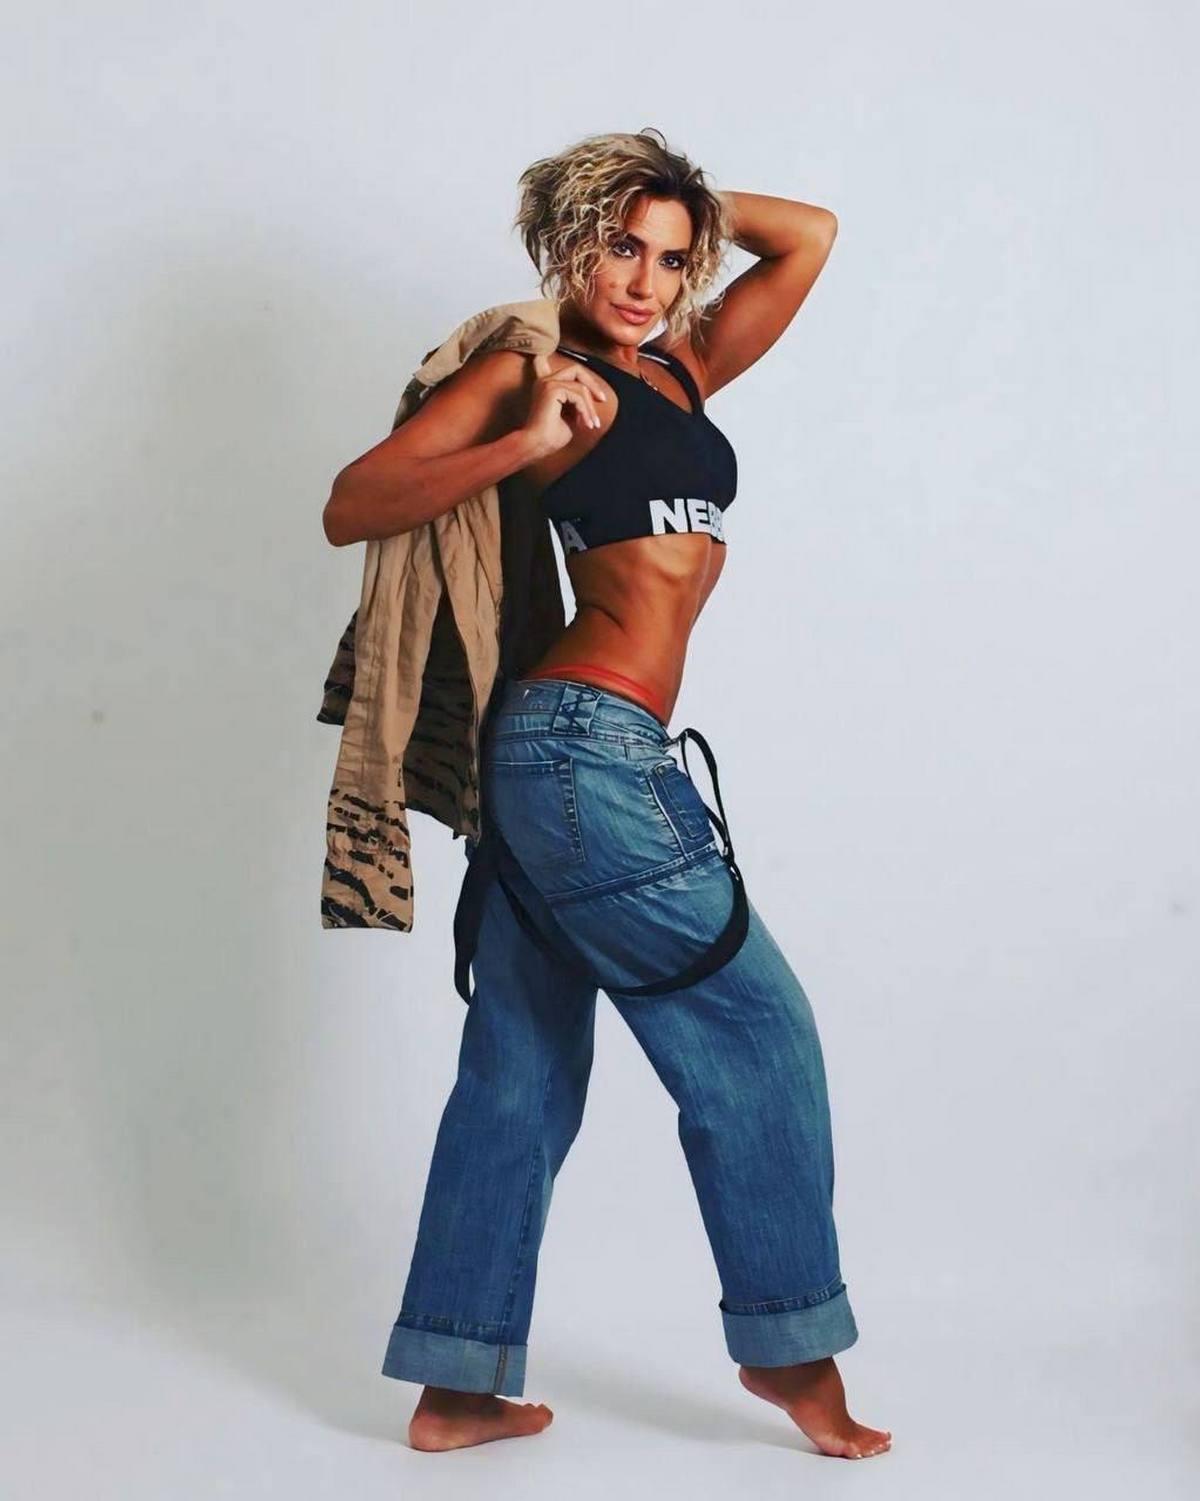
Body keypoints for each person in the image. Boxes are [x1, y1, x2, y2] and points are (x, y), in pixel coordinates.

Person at [326, 128, 891, 1460]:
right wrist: (522, 440)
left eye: (672, 257)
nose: (645, 279)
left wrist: (677, 195)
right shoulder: (532, 370)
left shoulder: (679, 367)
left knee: (521, 1064)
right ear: (568, 248)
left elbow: (808, 234)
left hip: (574, 756)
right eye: (617, 247)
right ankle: (791, 1350)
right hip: (583, 751)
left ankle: (457, 1385)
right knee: (757, 1031)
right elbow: (355, 501)